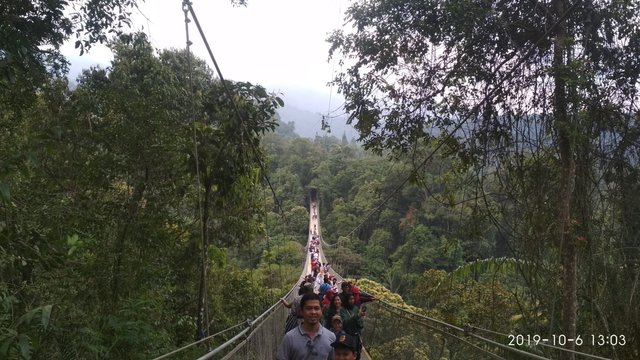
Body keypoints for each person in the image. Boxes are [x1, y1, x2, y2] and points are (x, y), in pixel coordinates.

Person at [276, 293, 336, 360]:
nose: (313, 312)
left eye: (316, 308)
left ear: (321, 311)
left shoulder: (331, 337)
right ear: (301, 311)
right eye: (308, 308)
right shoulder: (289, 338)